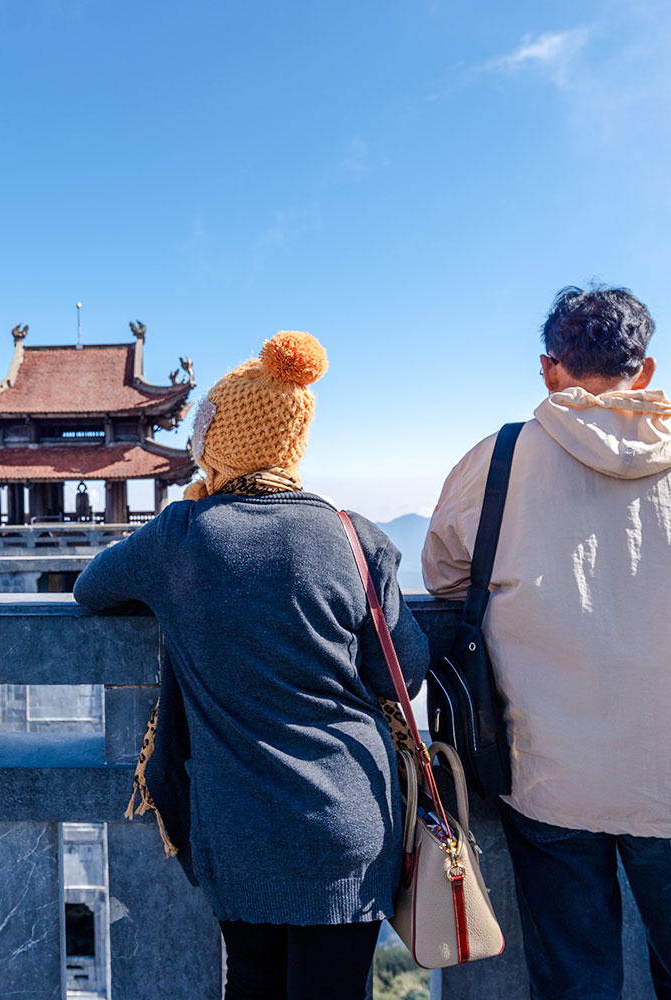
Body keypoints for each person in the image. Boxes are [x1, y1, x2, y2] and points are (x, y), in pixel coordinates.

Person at [75, 331, 432, 1000]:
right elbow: (399, 673)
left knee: (254, 983)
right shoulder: (355, 536)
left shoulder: (181, 537)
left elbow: (90, 589)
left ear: (220, 442)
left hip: (239, 825)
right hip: (350, 815)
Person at [423, 285, 671, 1000]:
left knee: (575, 982)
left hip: (548, 767)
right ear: (646, 367)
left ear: (549, 367)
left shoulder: (499, 458)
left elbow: (444, 573)